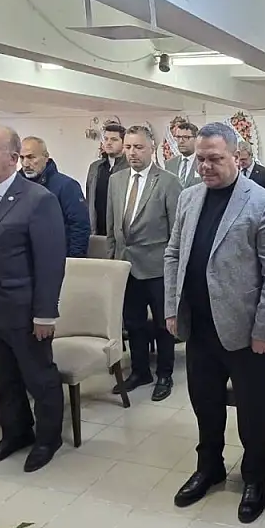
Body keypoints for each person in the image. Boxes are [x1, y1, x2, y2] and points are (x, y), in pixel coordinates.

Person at [163, 123, 265, 523]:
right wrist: (172, 308)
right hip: (199, 326)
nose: (206, 166)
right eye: (200, 158)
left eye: (215, 159)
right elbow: (173, 254)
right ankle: (209, 467)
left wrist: (264, 332)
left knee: (251, 413)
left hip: (244, 333)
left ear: (237, 157)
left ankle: (254, 478)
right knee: (206, 404)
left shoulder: (263, 203)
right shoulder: (189, 197)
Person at [0, 126, 67, 473]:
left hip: (23, 311)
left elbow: (50, 262)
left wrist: (45, 314)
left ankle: (48, 438)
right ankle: (15, 433)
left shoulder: (38, 199)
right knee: (1, 380)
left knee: (39, 378)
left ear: (13, 158)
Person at [106, 125, 182, 402]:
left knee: (163, 325)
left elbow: (177, 231)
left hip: (158, 267)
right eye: (128, 147)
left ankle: (164, 374)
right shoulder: (116, 180)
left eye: (138, 147)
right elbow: (111, 227)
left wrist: (174, 271)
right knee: (133, 323)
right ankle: (140, 371)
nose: (132, 152)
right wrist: (112, 264)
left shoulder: (168, 182)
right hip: (125, 267)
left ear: (152, 148)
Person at [19, 136, 90, 257]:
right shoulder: (15, 186)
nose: (25, 163)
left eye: (31, 157)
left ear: (46, 157)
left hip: (55, 258)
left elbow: (79, 226)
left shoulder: (67, 186)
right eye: (22, 158)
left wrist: (73, 260)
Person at [86, 123, 130, 236]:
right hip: (97, 229)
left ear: (124, 143)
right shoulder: (95, 167)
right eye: (106, 139)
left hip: (122, 232)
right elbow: (89, 199)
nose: (109, 143)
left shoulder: (130, 168)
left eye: (114, 139)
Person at [163, 120, 201, 189]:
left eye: (186, 137)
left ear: (196, 139)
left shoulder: (203, 162)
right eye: (178, 137)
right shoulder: (170, 164)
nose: (181, 141)